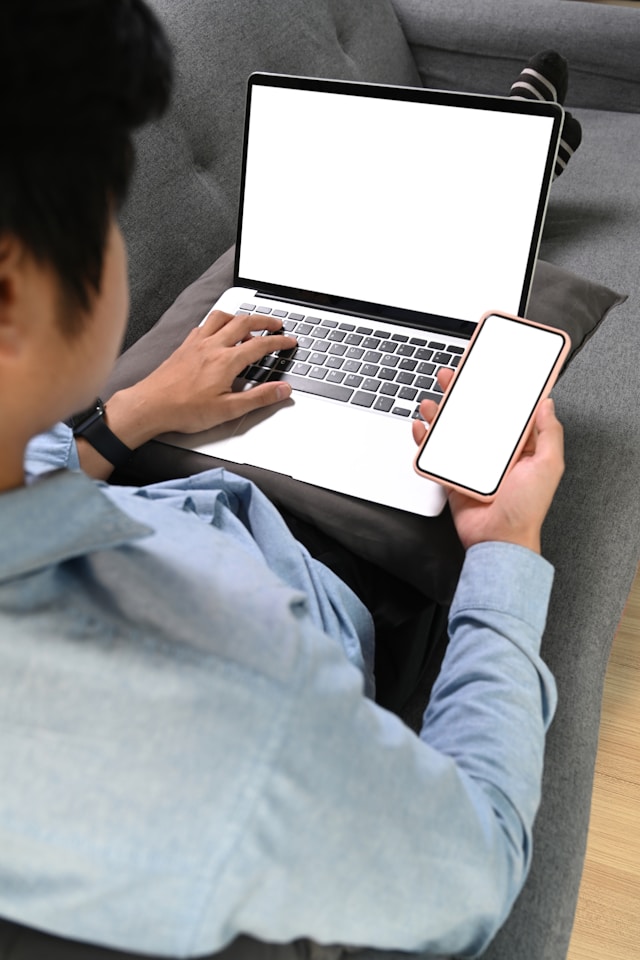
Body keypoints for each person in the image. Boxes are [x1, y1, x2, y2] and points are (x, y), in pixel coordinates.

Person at [0, 1, 566, 957]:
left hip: (173, 492)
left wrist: (134, 412)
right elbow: (477, 870)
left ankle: (523, 150)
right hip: (333, 576)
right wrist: (506, 548)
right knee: (499, 337)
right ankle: (525, 155)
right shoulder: (232, 688)